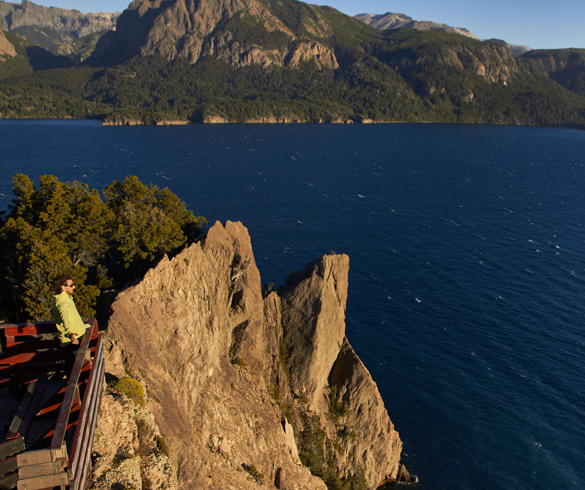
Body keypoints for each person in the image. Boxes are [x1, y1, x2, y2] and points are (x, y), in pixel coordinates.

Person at [51, 275, 91, 347]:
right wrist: (70, 334)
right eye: (71, 285)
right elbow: (65, 318)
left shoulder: (65, 298)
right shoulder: (62, 303)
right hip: (72, 342)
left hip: (76, 337)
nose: (74, 287)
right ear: (63, 288)